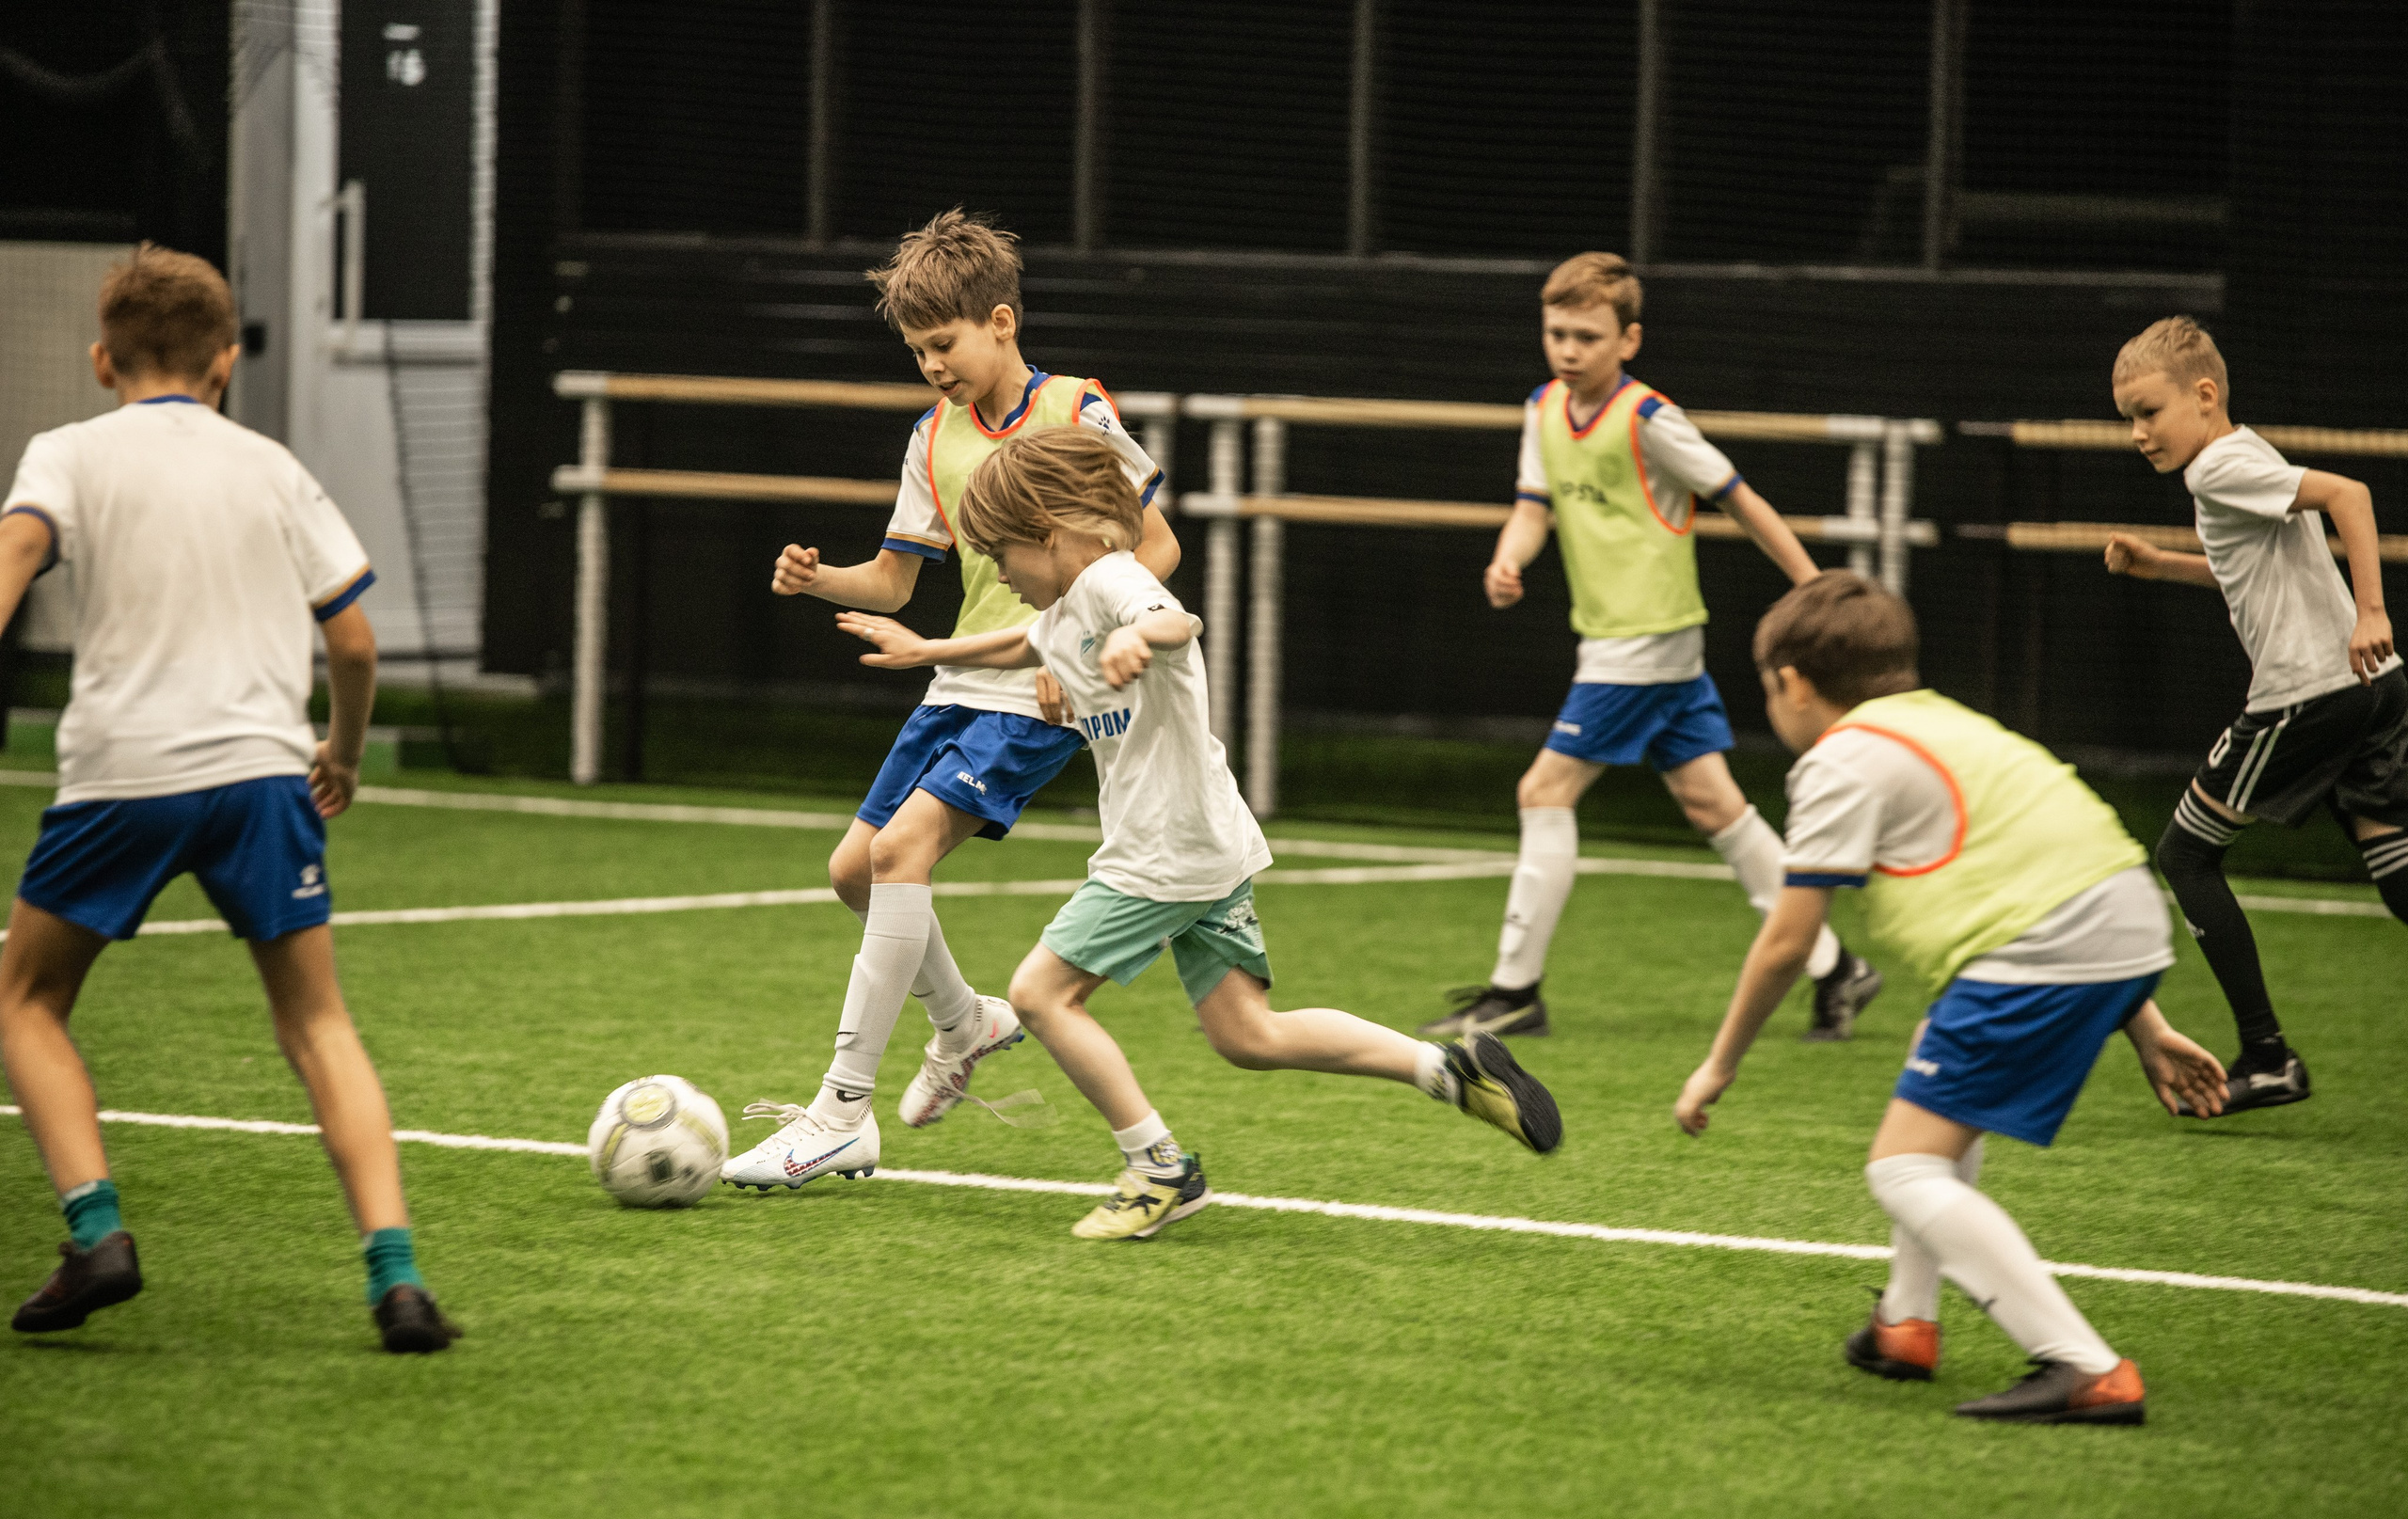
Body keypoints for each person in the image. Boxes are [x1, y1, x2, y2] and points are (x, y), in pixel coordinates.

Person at [832, 428, 1561, 1240]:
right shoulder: (1069, 602)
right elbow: (1021, 642)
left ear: (1049, 534)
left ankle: (1158, 1168)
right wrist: (927, 649)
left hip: (1162, 852)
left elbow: (1175, 618)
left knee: (1041, 993)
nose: (997, 573)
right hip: (1208, 840)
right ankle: (1448, 1069)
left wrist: (1136, 638)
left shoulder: (1112, 579)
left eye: (1002, 554)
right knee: (1249, 1035)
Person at [0, 245, 456, 1353]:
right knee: (316, 1021)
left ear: (103, 358)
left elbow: (15, 555)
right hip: (262, 774)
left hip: (123, 774)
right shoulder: (271, 466)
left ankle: (97, 1229)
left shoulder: (65, 451)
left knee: (26, 997)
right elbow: (351, 640)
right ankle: (397, 1279)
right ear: (230, 359)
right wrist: (338, 755)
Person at [1674, 573, 2226, 1425]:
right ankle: (1905, 1322)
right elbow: (2056, 855)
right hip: (2116, 918)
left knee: (1903, 1167)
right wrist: (2143, 1021)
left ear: (1791, 682)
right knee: (1931, 1095)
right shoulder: (1944, 719)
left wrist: (1718, 1065)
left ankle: (2085, 1366)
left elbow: (1789, 940)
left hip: (2045, 943)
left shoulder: (1840, 762)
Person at [721, 210, 1180, 1191]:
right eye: (917, 351)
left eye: (944, 344)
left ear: (1000, 322)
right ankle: (966, 1020)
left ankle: (840, 1111)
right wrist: (818, 580)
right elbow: (893, 583)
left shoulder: (1075, 409)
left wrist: (1085, 640)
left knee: (898, 852)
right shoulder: (931, 436)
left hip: (1036, 689)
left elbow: (1159, 547)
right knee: (853, 871)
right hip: (956, 679)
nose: (931, 365)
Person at [1424, 251, 1881, 1043]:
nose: (1568, 350)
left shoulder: (1649, 420)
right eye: (1556, 333)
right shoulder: (1542, 408)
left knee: (1544, 791)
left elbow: (1743, 499)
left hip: (1641, 646)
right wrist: (1510, 555)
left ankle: (1516, 989)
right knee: (1717, 806)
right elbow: (1533, 508)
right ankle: (1837, 967)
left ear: (1628, 340)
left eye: (1587, 336)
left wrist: (1813, 589)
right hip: (1634, 647)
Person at [2103, 315, 2405, 1113]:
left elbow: (2354, 494)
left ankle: (2267, 1055)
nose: (2137, 433)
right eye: (2127, 417)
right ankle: (2266, 1056)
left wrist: (2371, 609)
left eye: (2148, 411)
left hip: (2305, 696)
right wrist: (2160, 563)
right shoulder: (2244, 453)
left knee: (2183, 856)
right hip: (2373, 690)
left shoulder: (2216, 469)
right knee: (2399, 875)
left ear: (2204, 396)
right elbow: (2254, 572)